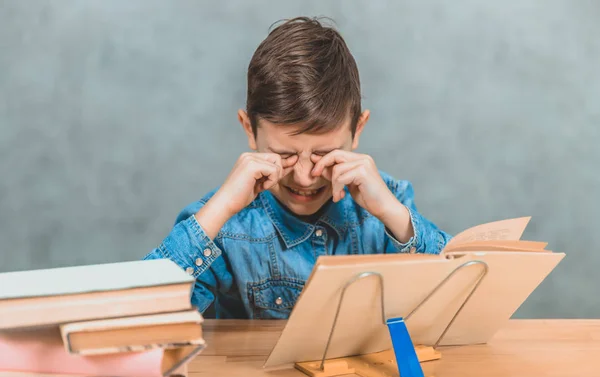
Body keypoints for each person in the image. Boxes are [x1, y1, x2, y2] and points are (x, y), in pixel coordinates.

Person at [144, 17, 451, 318]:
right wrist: (220, 209)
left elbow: (457, 298)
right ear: (249, 130)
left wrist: (395, 216)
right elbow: (143, 313)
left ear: (358, 130)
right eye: (284, 155)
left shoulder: (390, 203)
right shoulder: (223, 224)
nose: (305, 178)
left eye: (324, 154)